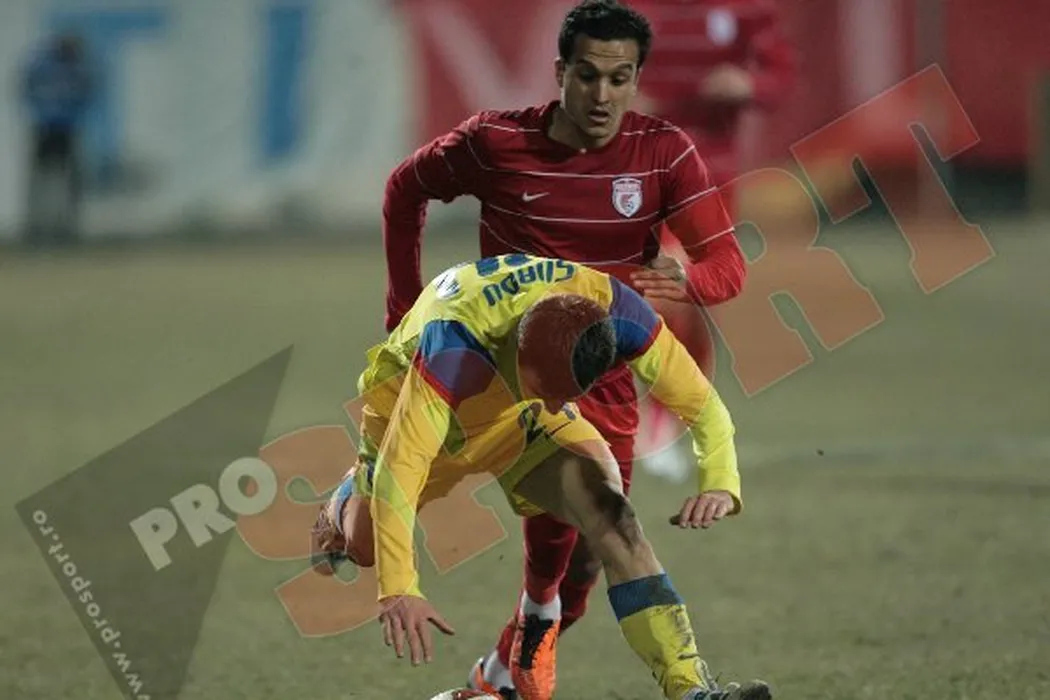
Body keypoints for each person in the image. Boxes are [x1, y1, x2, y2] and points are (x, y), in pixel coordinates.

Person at [380, 2, 747, 695]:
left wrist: (689, 280)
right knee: (582, 529)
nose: (602, 95)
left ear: (636, 80)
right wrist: (403, 312)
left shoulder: (663, 153)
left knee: (580, 566)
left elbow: (727, 266)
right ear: (559, 71)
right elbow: (405, 189)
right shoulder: (496, 143)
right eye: (587, 75)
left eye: (619, 79)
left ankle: (494, 680)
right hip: (503, 378)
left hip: (603, 375)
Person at [312, 254, 770, 700]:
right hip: (419, 407)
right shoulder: (452, 346)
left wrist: (720, 481)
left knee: (611, 513)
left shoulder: (619, 313)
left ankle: (689, 688)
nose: (557, 402)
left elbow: (702, 404)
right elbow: (402, 468)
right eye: (549, 390)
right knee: (366, 545)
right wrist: (400, 588)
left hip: (523, 416)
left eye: (566, 394)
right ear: (519, 347)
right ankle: (342, 501)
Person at [628, 0, 797, 480]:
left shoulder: (745, 10)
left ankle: (665, 418)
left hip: (709, 174)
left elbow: (779, 74)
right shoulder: (630, 11)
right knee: (662, 291)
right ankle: (652, 420)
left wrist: (748, 84)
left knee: (691, 299)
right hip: (640, 166)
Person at [20, 32, 94, 245]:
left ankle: (65, 226)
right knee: (42, 180)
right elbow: (27, 88)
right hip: (46, 128)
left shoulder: (75, 68)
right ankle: (37, 226)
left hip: (66, 129)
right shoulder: (44, 66)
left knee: (68, 180)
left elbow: (87, 91)